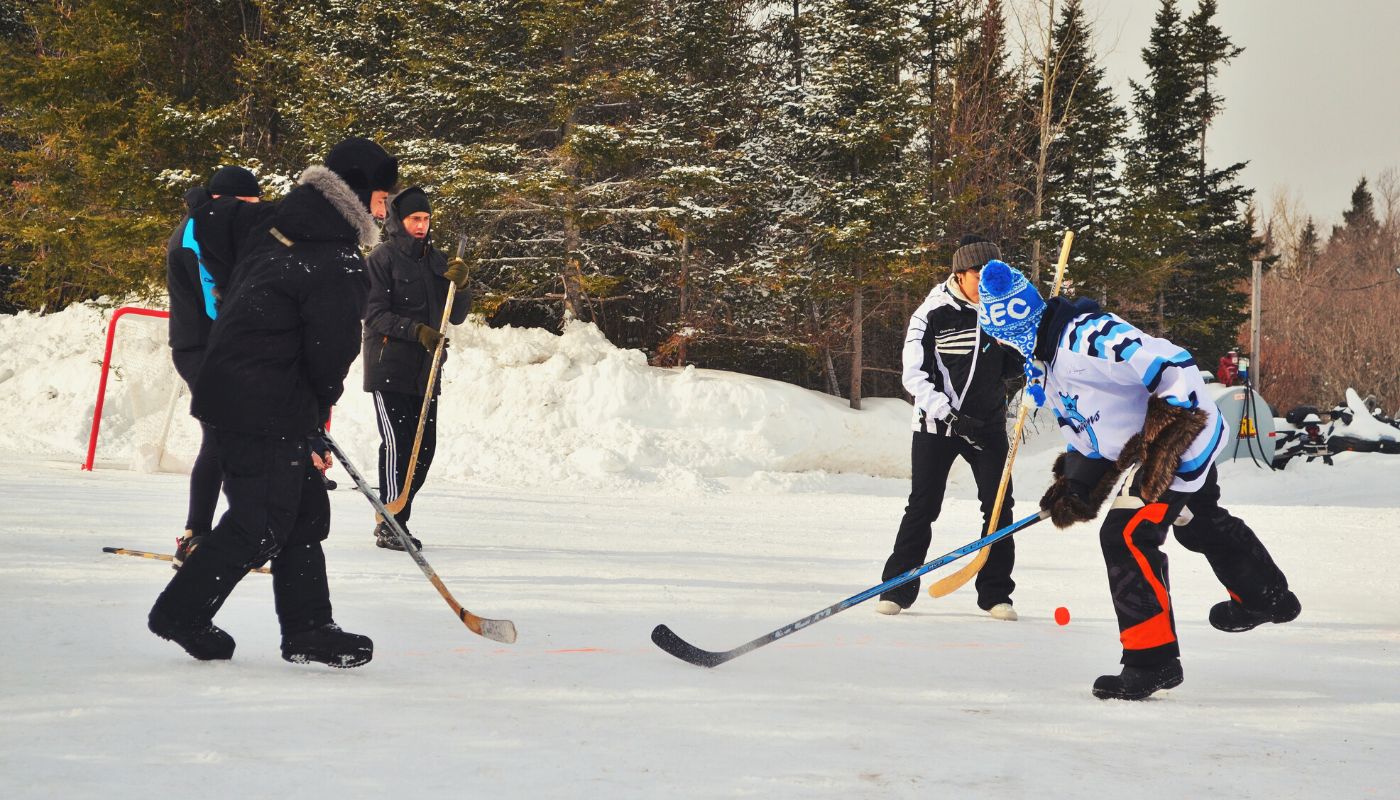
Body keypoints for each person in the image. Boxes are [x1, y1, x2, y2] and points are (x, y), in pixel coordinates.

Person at [976, 259, 1300, 700]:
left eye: (1004, 339)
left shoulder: (1086, 337)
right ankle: (1266, 595)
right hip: (1158, 446)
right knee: (1197, 520)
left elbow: (1173, 363)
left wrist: (1168, 442)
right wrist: (1076, 483)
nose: (1006, 349)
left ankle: (1152, 661)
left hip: (1179, 438)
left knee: (1125, 535)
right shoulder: (1048, 363)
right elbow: (1099, 434)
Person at [146, 137, 398, 668]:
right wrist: (313, 413)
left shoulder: (277, 222)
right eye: (381, 196)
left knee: (303, 513)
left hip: (240, 386)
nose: (385, 209)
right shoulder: (335, 258)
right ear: (357, 191)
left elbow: (213, 221)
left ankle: (308, 628)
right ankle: (181, 612)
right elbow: (331, 353)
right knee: (260, 521)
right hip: (261, 401)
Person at [875, 236, 1025, 621]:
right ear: (961, 274)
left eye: (997, 275)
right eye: (981, 275)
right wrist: (951, 415)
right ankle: (896, 587)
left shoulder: (1003, 311)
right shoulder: (933, 313)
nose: (990, 283)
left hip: (988, 425)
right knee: (924, 505)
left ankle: (995, 594)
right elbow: (914, 376)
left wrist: (1026, 361)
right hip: (936, 425)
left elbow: (1013, 364)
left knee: (998, 507)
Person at [361, 187, 471, 550]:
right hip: (388, 364)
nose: (421, 225)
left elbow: (455, 313)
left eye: (425, 219)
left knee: (424, 449)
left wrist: (463, 284)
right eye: (414, 219)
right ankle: (391, 523)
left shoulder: (437, 261)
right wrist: (416, 330)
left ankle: (396, 513)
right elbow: (374, 314)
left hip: (426, 369)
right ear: (399, 221)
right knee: (398, 444)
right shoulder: (382, 258)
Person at [165, 165, 262, 568]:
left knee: (234, 436)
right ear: (229, 202)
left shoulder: (214, 225)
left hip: (221, 345)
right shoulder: (196, 231)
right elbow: (214, 299)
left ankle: (224, 531)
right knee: (221, 436)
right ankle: (195, 536)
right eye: (248, 207)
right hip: (200, 347)